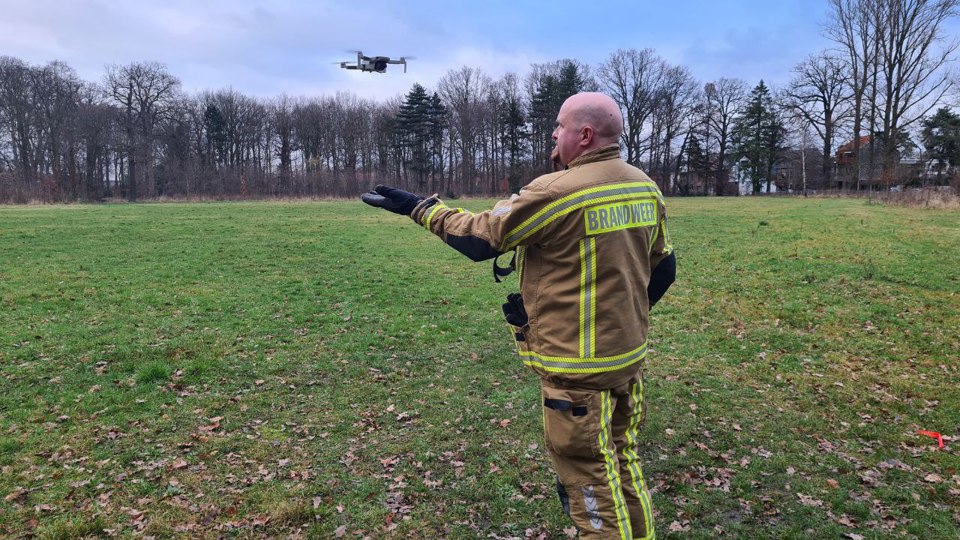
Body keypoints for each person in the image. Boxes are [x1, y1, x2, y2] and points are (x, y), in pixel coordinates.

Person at [362, 92, 675, 540]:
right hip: (627, 361)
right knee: (621, 463)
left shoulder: (558, 191)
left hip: (577, 372)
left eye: (560, 126)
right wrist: (617, 320)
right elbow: (665, 268)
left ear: (584, 135)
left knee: (590, 484)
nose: (553, 133)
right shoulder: (642, 185)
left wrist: (419, 206)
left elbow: (479, 239)